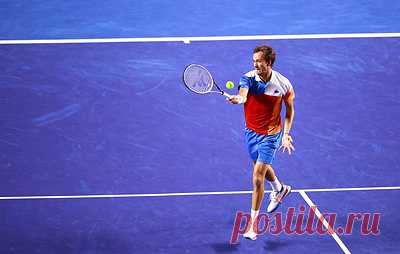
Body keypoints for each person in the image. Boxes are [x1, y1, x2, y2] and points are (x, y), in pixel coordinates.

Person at [228, 45, 295, 240]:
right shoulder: (247, 78)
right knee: (262, 166)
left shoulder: (284, 84)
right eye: (254, 60)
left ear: (269, 63)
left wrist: (286, 134)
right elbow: (243, 95)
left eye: (259, 61)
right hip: (251, 133)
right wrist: (238, 99)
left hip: (271, 134)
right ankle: (280, 189)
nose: (255, 64)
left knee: (257, 176)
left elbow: (289, 111)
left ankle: (253, 225)